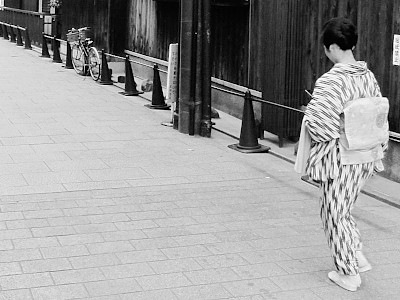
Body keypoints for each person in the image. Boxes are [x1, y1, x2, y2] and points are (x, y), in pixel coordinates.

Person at [302, 17, 388, 291]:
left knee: (334, 214)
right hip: (367, 154)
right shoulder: (368, 76)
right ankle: (355, 253)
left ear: (331, 47)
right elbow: (378, 115)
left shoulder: (331, 81)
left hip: (342, 157)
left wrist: (310, 118)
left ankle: (348, 272)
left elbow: (320, 124)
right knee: (344, 208)